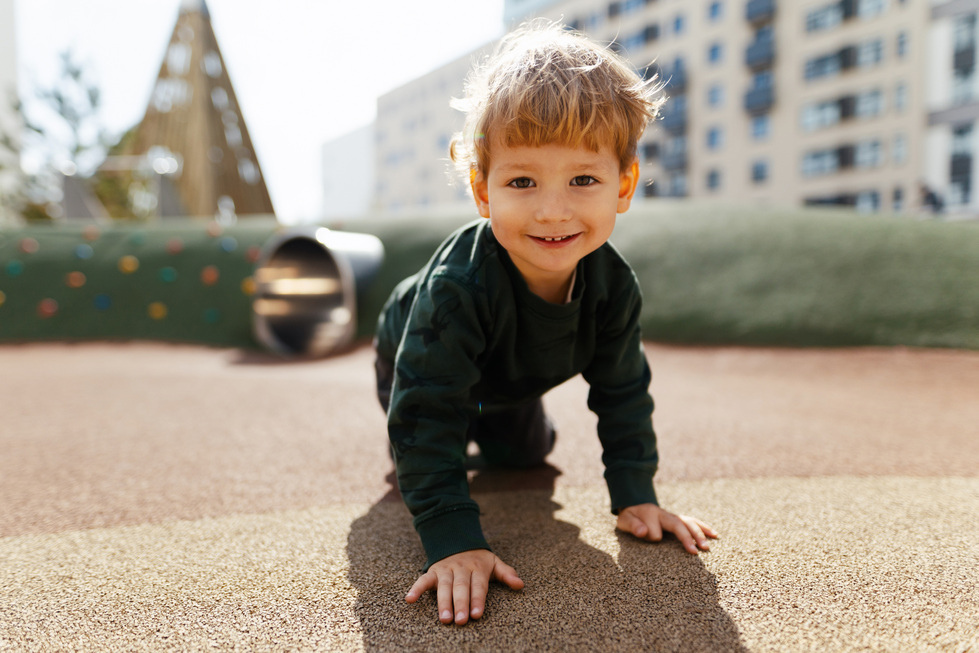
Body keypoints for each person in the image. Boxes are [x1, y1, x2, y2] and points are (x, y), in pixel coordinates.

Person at [373, 22, 717, 626]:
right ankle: (435, 457)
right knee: (428, 440)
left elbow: (623, 390)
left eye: (583, 180)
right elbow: (427, 405)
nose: (552, 210)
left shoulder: (613, 288)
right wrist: (452, 539)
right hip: (415, 357)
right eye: (521, 181)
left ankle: (495, 421)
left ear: (624, 185)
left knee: (527, 452)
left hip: (511, 378)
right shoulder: (458, 288)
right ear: (483, 191)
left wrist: (636, 494)